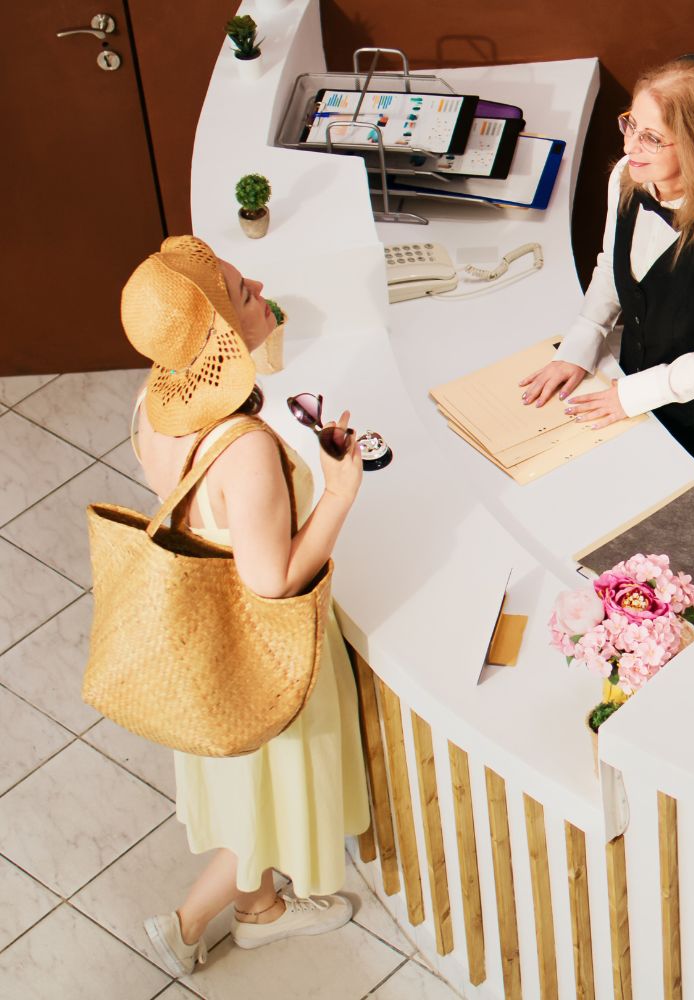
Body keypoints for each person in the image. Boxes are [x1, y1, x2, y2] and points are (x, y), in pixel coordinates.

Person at [120, 236, 370, 977]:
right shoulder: (247, 450)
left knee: (241, 790)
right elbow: (274, 580)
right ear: (225, 339)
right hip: (258, 653)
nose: (259, 285)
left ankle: (259, 913)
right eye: (242, 293)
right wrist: (340, 492)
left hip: (203, 649)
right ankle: (187, 923)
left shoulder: (153, 404)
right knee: (265, 803)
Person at [520, 60, 694, 499]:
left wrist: (634, 395)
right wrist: (580, 345)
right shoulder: (626, 177)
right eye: (630, 124)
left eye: (651, 138)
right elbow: (610, 263)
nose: (630, 145)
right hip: (637, 391)